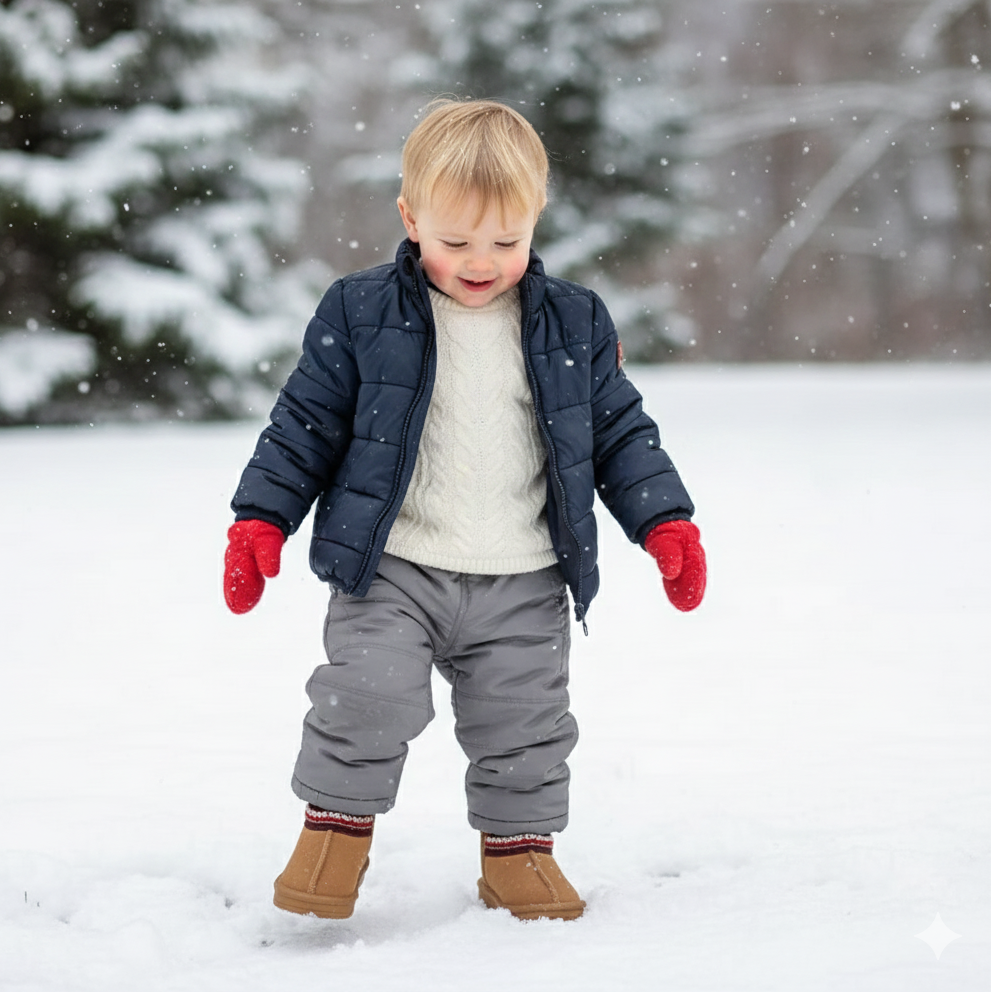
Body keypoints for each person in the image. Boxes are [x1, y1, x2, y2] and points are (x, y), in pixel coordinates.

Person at [223, 98, 707, 922]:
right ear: (411, 218)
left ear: (536, 217)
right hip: (394, 567)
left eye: (506, 242)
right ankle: (333, 839)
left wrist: (665, 522)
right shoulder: (360, 311)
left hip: (524, 574)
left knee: (525, 724)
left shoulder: (574, 321)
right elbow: (304, 424)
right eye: (455, 242)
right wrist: (261, 518)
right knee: (366, 696)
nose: (481, 262)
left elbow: (619, 432)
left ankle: (519, 857)